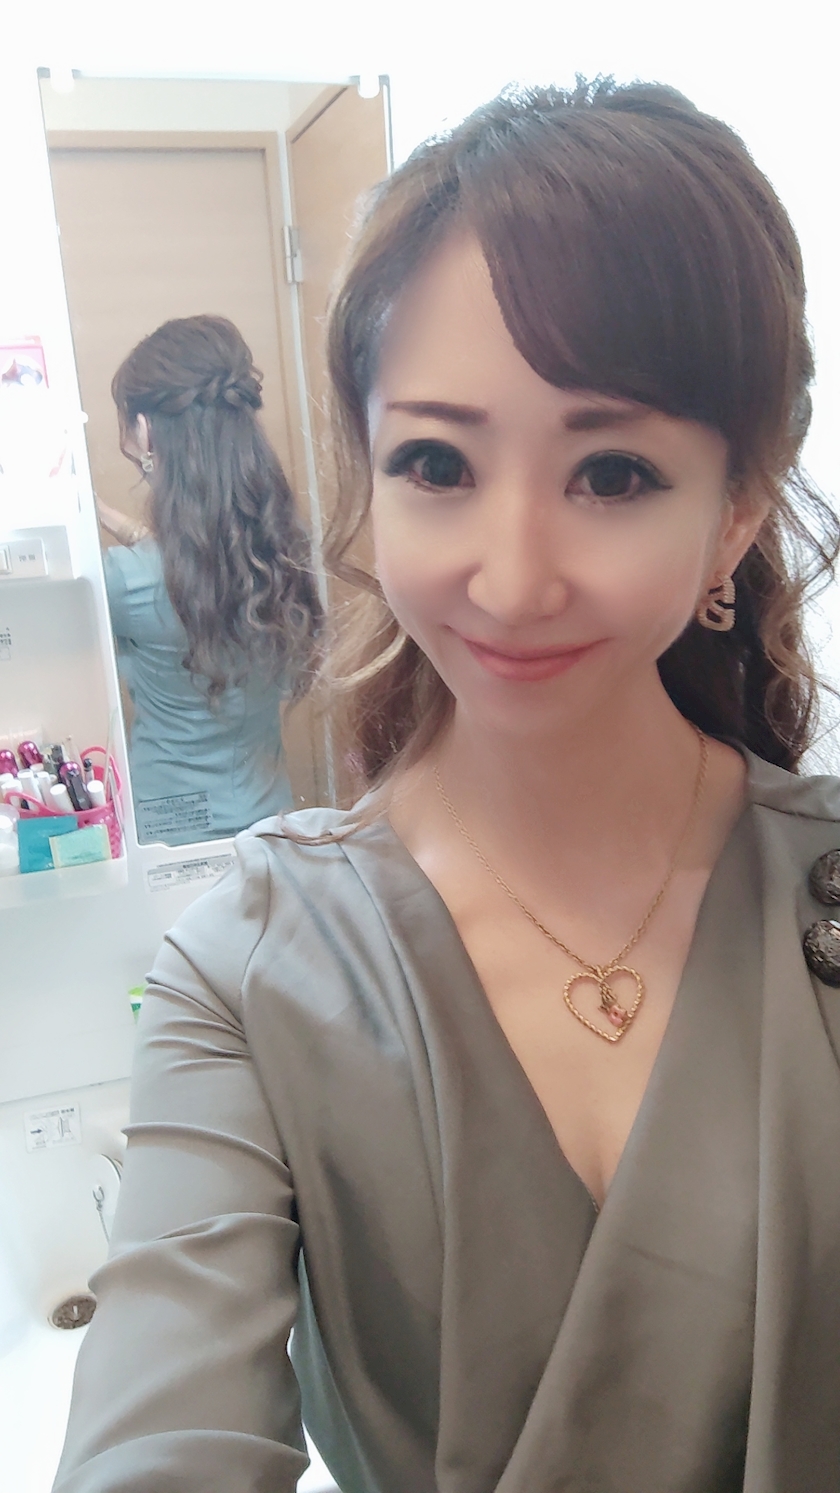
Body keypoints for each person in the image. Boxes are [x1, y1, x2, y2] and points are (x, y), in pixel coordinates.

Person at [54, 79, 840, 1492]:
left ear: (735, 508)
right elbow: (158, 1434)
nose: (513, 578)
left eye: (613, 473)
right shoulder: (246, 973)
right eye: (436, 461)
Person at [96, 314, 322, 845]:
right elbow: (187, 561)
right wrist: (110, 518)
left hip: (169, 835)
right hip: (268, 822)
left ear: (145, 430)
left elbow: (156, 574)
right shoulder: (277, 550)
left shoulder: (125, 582)